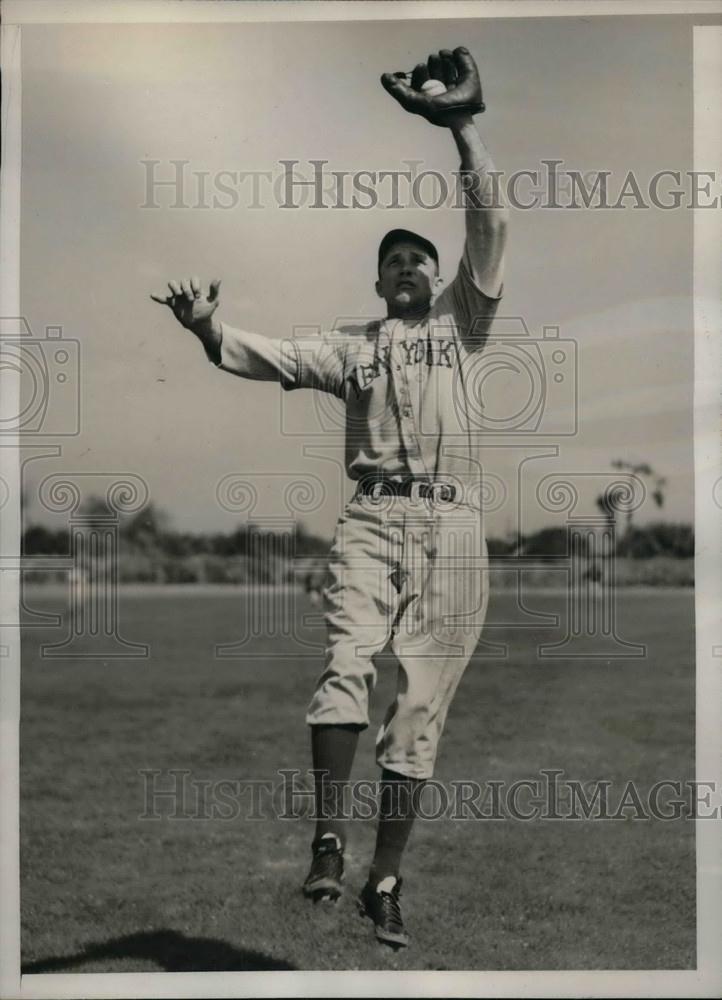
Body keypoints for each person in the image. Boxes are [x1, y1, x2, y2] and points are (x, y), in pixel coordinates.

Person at [151, 46, 507, 949]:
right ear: (376, 282)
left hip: (455, 527)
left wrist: (460, 127)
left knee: (420, 708)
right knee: (345, 668)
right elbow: (263, 353)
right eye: (389, 261)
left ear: (441, 278)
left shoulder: (463, 327)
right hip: (374, 517)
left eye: (417, 260)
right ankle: (326, 840)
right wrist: (207, 328)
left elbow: (491, 222)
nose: (403, 268)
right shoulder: (354, 347)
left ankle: (384, 880)